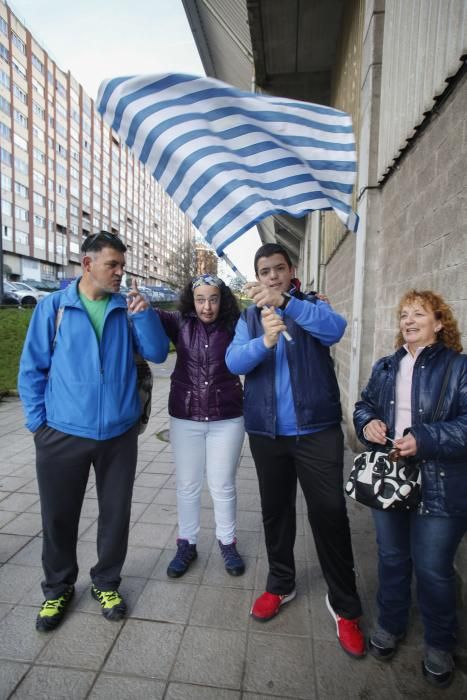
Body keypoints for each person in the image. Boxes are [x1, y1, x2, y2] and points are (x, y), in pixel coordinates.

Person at [18, 231, 169, 631]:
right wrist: (38, 424)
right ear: (87, 265)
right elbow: (32, 368)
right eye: (112, 265)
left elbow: (156, 352)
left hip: (118, 434)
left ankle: (106, 582)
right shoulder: (55, 308)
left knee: (115, 516)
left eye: (122, 265)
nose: (120, 273)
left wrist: (144, 315)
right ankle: (58, 589)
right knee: (59, 517)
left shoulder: (127, 308)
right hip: (61, 433)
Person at [226, 243, 365, 658]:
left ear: (291, 271)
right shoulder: (250, 317)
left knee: (330, 514)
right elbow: (234, 362)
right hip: (267, 434)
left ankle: (345, 606)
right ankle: (280, 584)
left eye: (278, 270)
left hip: (316, 431)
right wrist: (264, 342)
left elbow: (335, 330)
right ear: (257, 276)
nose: (271, 276)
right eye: (264, 271)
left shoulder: (310, 306)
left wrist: (289, 305)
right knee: (276, 512)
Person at [353, 289, 467, 688]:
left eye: (419, 313)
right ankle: (390, 624)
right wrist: (367, 423)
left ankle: (439, 642)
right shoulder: (387, 366)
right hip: (391, 480)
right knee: (392, 556)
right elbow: (363, 404)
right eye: (404, 314)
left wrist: (425, 438)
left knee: (434, 569)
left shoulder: (459, 368)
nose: (409, 319)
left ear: (439, 322)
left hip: (441, 483)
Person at [156, 274, 245, 578]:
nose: (207, 306)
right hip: (186, 415)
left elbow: (270, 311)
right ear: (191, 301)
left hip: (227, 417)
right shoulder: (178, 322)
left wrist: (306, 298)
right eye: (201, 299)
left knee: (222, 485)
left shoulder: (237, 324)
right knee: (188, 484)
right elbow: (145, 313)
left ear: (223, 299)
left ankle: (227, 541)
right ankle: (187, 542)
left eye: (214, 298)